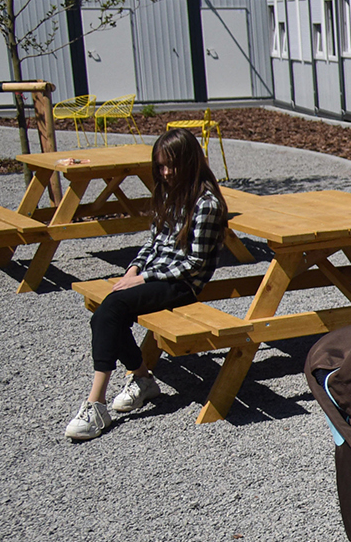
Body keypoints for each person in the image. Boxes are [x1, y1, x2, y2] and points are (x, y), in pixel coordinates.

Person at [66, 129, 229, 441]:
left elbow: (194, 264)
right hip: (154, 274)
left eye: (172, 166)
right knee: (107, 312)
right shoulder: (169, 193)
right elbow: (153, 243)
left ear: (191, 163)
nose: (166, 173)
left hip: (182, 284)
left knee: (111, 309)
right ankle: (140, 379)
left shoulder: (206, 203)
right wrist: (133, 269)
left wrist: (143, 278)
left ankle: (97, 402)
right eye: (161, 167)